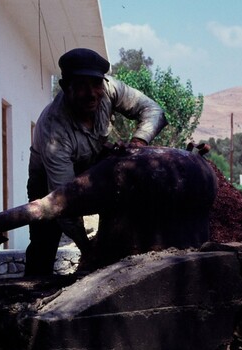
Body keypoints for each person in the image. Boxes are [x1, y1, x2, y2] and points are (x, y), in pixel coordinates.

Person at [24, 47, 168, 275]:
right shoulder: (54, 130)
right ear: (65, 87)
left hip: (92, 163)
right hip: (48, 183)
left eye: (96, 84)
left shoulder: (110, 89)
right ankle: (33, 297)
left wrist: (138, 142)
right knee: (44, 240)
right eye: (81, 85)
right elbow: (63, 203)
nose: (91, 93)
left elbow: (153, 110)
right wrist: (86, 247)